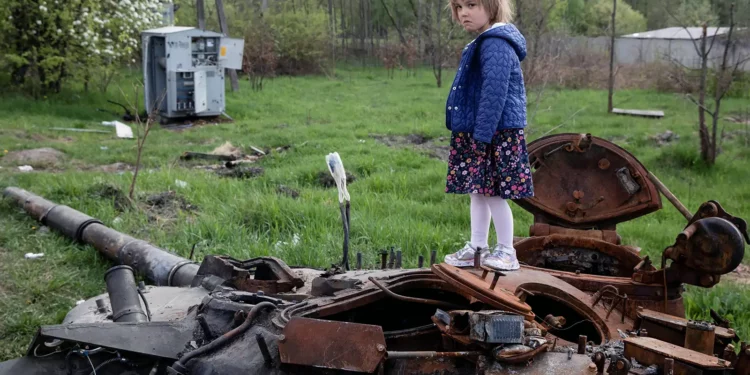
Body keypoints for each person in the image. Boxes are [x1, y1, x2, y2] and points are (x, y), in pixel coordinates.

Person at [443, 0, 534, 271]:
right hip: (482, 130)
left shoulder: (496, 42)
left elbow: (494, 95)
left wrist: (482, 137)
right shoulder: (485, 41)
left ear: (492, 6)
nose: (464, 13)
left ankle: (507, 251)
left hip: (494, 131)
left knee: (493, 193)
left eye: (471, 4)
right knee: (477, 191)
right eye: (459, 7)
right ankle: (477, 246)